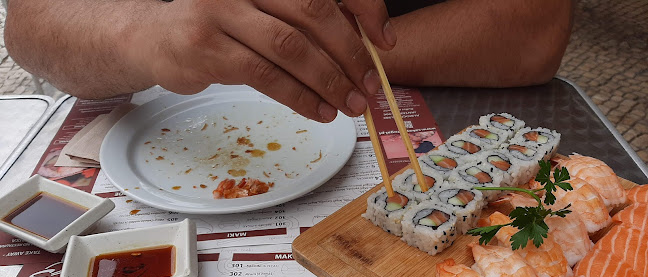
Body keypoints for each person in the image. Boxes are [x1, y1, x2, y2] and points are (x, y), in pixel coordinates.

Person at [4, 0, 573, 122]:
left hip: (406, 117)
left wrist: (327, 56)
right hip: (159, 130)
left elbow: (532, 28)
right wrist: (143, 35)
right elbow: (30, 27)